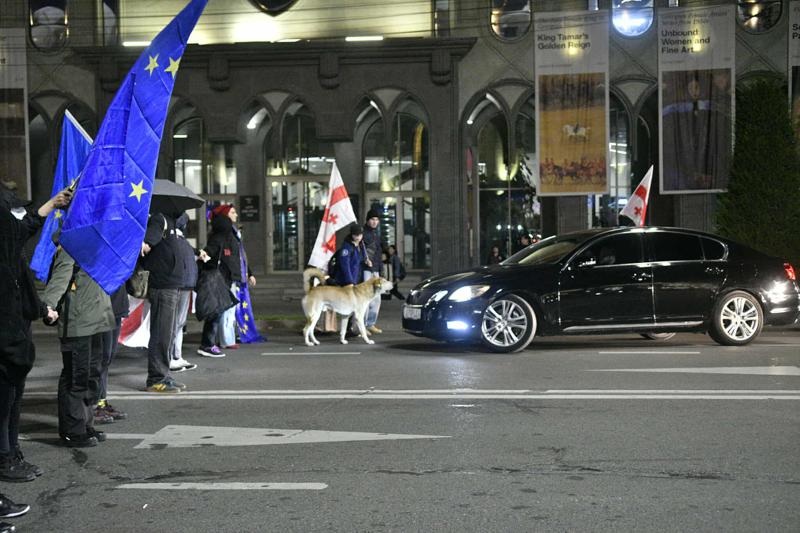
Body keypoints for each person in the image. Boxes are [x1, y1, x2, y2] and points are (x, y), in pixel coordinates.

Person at [1, 186, 69, 486]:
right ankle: (5, 459)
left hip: (16, 334)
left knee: (13, 400)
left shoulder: (11, 257)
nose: (20, 221)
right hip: (6, 338)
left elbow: (25, 225)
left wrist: (42, 309)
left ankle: (12, 452)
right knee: (3, 403)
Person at [198, 204, 256, 356]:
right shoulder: (222, 236)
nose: (236, 215)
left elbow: (240, 257)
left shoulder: (232, 235)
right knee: (219, 311)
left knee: (225, 311)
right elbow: (211, 254)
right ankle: (212, 343)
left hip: (230, 278)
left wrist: (248, 273)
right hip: (222, 279)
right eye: (232, 212)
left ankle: (219, 341)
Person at [139, 212, 185, 393]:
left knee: (167, 334)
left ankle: (164, 376)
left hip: (171, 284)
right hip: (163, 285)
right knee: (161, 333)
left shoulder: (172, 222)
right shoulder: (160, 218)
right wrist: (146, 244)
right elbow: (149, 241)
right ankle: (156, 379)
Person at [94, 286, 129, 424]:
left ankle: (101, 401)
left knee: (107, 358)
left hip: (117, 304)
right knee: (101, 357)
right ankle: (94, 404)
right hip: (101, 305)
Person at [169, 213, 198, 372]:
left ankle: (176, 356)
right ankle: (172, 356)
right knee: (176, 323)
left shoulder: (180, 241)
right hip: (181, 285)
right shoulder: (176, 240)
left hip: (183, 284)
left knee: (178, 323)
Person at [362, 209, 383, 334]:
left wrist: (380, 269)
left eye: (377, 220)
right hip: (365, 270)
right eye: (372, 219)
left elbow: (379, 253)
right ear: (367, 220)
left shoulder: (376, 234)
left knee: (376, 297)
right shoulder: (363, 233)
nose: (375, 222)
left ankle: (370, 323)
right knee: (365, 298)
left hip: (375, 270)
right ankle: (362, 325)